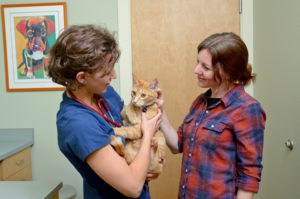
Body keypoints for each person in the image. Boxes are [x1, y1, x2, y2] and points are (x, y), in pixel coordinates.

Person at [48, 24, 162, 199]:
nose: (114, 75)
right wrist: (147, 135)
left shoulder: (104, 93)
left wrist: (150, 161)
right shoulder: (76, 123)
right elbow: (132, 186)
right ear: (82, 77)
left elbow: (129, 124)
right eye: (107, 72)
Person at [158, 32, 266, 199]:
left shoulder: (247, 109)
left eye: (205, 67)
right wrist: (160, 111)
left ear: (227, 73)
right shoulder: (200, 103)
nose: (196, 70)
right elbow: (177, 145)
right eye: (198, 63)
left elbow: (249, 175)